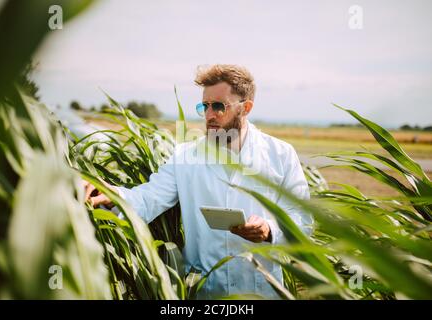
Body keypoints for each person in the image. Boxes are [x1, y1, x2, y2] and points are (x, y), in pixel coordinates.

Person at [85, 64, 313, 299]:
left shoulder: (281, 155)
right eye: (204, 106)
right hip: (204, 292)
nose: (209, 115)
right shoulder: (185, 156)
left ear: (245, 108)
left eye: (218, 106)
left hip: (262, 290)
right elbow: (147, 198)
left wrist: (269, 230)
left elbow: (303, 220)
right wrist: (113, 195)